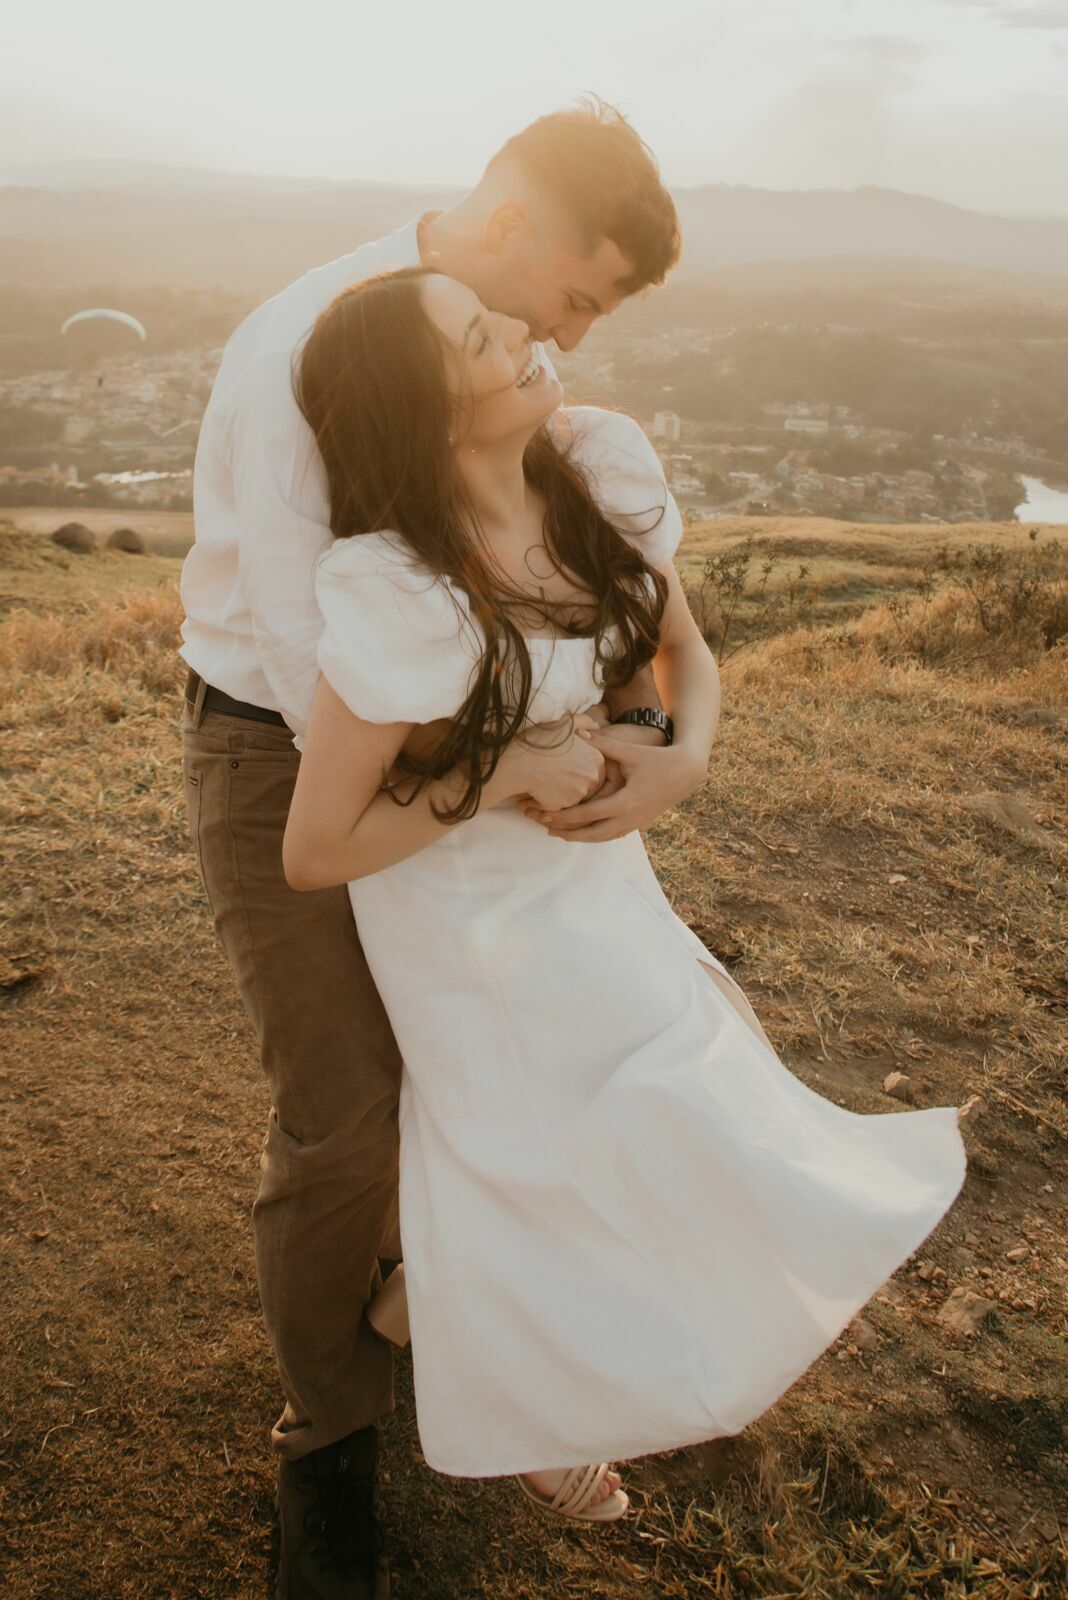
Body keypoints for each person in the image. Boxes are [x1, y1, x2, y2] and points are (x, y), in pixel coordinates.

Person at [281, 265, 968, 1540]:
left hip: (598, 885)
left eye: (499, 320)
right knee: (536, 1165)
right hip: (464, 924)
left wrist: (686, 756)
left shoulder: (592, 470)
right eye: (484, 341)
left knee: (673, 1094)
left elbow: (682, 653)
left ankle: (418, 1313)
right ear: (427, 414)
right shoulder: (398, 589)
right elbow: (318, 845)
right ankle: (524, 1403)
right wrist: (500, 771)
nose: (529, 339)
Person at [179, 100, 705, 1599]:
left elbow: (553, 559)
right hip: (294, 746)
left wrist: (647, 734)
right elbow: (303, 656)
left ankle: (451, 1325)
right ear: (503, 230)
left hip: (464, 737)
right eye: (578, 300)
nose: (573, 341)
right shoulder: (313, 347)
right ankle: (328, 1440)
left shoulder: (494, 364)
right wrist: (507, 776)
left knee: (494, 1068)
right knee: (346, 1112)